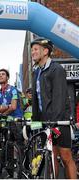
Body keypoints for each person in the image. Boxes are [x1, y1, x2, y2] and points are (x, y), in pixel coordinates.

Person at [31, 37, 77, 179]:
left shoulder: (56, 70)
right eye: (32, 49)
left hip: (59, 121)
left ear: (46, 51)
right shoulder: (36, 72)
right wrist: (34, 122)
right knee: (51, 156)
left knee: (65, 156)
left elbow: (59, 98)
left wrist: (54, 124)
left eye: (35, 49)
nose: (33, 52)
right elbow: (36, 100)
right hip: (45, 122)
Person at [0, 68, 24, 176]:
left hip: (16, 121)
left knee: (19, 144)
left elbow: (13, 107)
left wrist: (4, 112)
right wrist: (4, 109)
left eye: (3, 74)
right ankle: (11, 172)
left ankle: (23, 167)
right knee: (7, 147)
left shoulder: (13, 90)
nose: (1, 76)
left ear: (7, 77)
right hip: (5, 123)